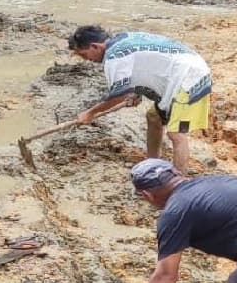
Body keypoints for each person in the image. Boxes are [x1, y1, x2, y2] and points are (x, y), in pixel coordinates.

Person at [68, 25, 212, 173]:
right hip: (182, 72)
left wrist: (90, 113)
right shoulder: (123, 39)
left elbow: (118, 96)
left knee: (176, 134)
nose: (88, 60)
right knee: (153, 117)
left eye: (85, 55)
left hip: (190, 79)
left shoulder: (115, 56)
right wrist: (136, 93)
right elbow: (146, 66)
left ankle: (178, 184)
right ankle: (151, 165)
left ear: (95, 46)